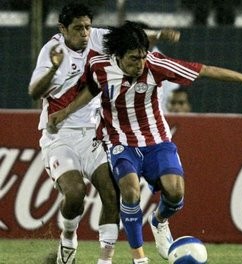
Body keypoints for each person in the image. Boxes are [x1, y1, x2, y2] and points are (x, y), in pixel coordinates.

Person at [46, 21, 242, 264]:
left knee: (175, 193)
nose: (139, 64)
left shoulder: (155, 65)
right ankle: (139, 258)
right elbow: (92, 89)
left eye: (142, 57)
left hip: (156, 139)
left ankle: (159, 220)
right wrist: (64, 112)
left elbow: (206, 70)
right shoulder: (98, 65)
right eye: (133, 59)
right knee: (129, 190)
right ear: (117, 56)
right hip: (120, 141)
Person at [27, 3, 180, 264]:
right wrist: (53, 68)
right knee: (75, 194)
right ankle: (68, 236)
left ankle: (104, 260)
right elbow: (34, 91)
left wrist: (160, 34)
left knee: (112, 194)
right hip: (59, 135)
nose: (85, 33)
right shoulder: (52, 50)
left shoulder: (96, 37)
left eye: (87, 26)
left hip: (95, 134)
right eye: (78, 28)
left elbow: (128, 39)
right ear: (62, 29)